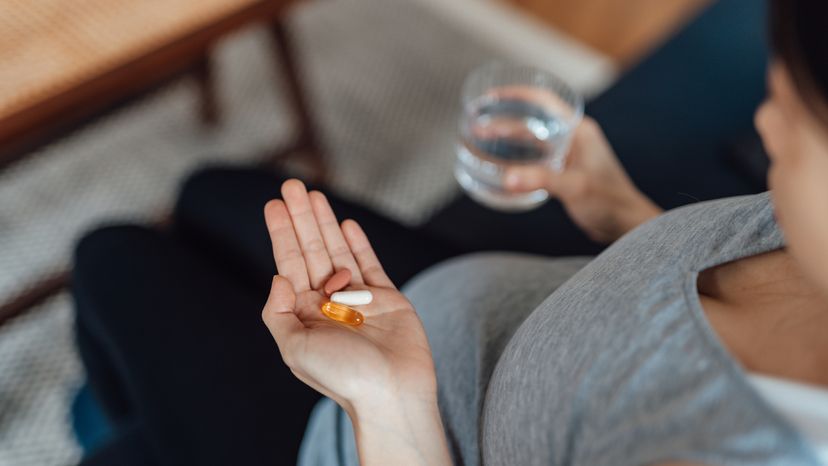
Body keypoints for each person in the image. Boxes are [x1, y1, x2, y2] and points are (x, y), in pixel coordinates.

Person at [70, 0, 828, 464]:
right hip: (475, 309)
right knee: (210, 192)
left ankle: (119, 428)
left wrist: (389, 405)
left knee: (109, 255)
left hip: (363, 433)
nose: (763, 123)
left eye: (795, 120)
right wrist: (628, 219)